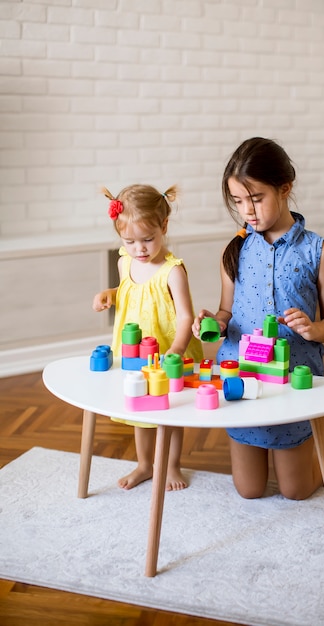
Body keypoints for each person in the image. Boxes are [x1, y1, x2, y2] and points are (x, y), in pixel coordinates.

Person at [192, 137, 324, 501]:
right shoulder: (235, 249)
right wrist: (211, 324)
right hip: (243, 377)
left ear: (285, 188)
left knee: (296, 490)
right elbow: (226, 313)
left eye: (256, 198)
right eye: (238, 201)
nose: (247, 210)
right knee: (248, 490)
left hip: (291, 377)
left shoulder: (317, 251)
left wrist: (313, 330)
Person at [93, 184, 203, 491]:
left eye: (147, 239)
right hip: (134, 354)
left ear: (164, 226)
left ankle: (171, 465)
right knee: (137, 409)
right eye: (129, 241)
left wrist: (179, 349)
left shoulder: (172, 271)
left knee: (168, 411)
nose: (139, 248)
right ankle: (144, 464)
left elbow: (184, 315)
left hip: (168, 351)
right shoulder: (124, 261)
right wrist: (110, 294)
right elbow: (130, 292)